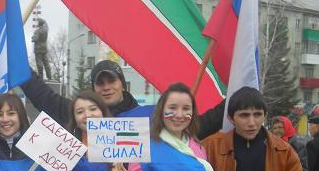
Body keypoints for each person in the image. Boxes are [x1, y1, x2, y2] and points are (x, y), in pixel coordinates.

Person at [21, 59, 224, 140]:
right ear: (94, 89)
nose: (107, 87)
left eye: (112, 81)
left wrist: (233, 101)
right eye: (100, 83)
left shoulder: (148, 116)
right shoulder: (79, 113)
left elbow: (197, 125)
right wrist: (17, 65)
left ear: (123, 84)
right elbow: (42, 95)